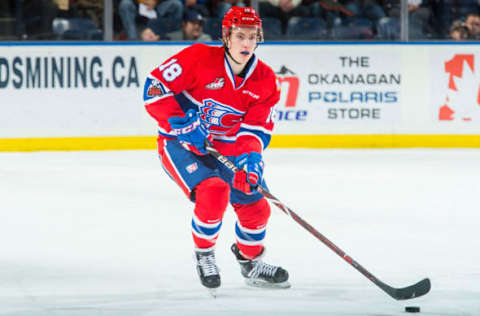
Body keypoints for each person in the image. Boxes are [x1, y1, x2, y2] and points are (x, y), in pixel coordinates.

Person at [143, 6, 289, 292]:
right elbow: (155, 87)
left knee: (257, 208)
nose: (246, 43)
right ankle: (205, 255)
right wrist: (181, 123)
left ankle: (251, 263)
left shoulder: (265, 80)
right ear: (226, 36)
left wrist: (251, 160)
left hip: (229, 147)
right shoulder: (199, 58)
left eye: (252, 36)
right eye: (240, 36)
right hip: (180, 143)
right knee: (213, 191)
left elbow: (256, 129)